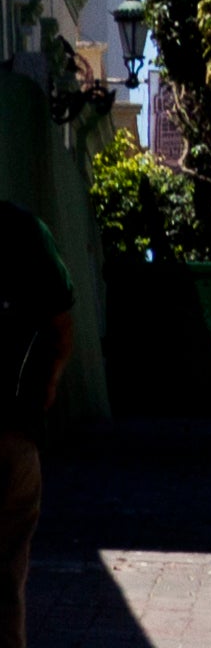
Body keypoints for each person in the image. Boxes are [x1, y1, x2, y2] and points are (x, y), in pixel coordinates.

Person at [0, 206, 77, 648]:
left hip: (10, 439)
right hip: (10, 433)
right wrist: (41, 392)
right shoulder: (21, 230)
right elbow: (61, 327)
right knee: (4, 588)